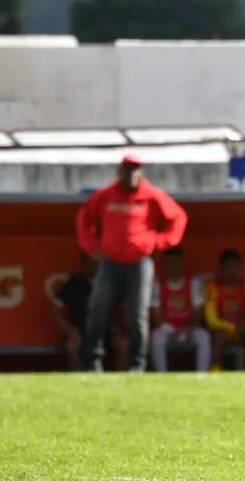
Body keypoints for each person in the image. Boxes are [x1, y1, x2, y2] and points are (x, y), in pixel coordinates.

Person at [76, 155, 188, 372]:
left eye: (137, 170)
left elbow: (178, 218)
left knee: (137, 314)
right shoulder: (105, 195)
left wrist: (161, 242)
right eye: (128, 170)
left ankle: (137, 365)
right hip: (110, 263)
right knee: (99, 309)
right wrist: (91, 247)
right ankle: (92, 361)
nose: (133, 175)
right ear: (120, 173)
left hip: (140, 263)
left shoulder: (152, 195)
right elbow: (84, 218)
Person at [54, 251, 128, 372]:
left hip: (108, 331)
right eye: (91, 262)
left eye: (98, 262)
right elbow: (55, 307)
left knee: (124, 344)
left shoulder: (112, 282)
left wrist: (122, 328)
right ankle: (79, 378)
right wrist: (68, 330)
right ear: (83, 263)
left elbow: (127, 307)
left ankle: (122, 380)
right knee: (71, 346)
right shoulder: (75, 282)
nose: (95, 265)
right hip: (82, 330)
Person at [204, 250, 245, 371]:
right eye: (228, 266)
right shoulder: (213, 288)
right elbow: (211, 320)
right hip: (225, 330)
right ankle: (215, 369)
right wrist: (231, 327)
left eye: (235, 266)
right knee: (217, 335)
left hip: (243, 329)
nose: (232, 270)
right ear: (222, 268)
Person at [149, 246, 211, 373]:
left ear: (182, 264)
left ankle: (202, 376)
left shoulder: (193, 283)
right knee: (157, 337)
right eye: (169, 263)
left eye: (176, 262)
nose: (173, 267)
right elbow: (155, 314)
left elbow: (198, 312)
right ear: (165, 264)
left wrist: (188, 329)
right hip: (167, 331)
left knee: (203, 336)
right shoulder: (157, 285)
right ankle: (161, 375)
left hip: (189, 330)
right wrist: (171, 330)